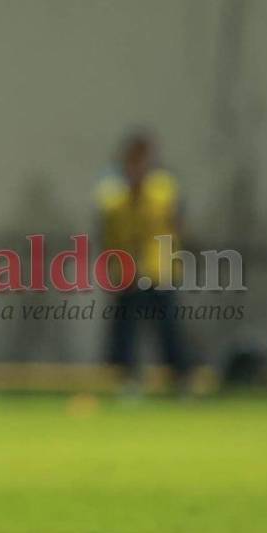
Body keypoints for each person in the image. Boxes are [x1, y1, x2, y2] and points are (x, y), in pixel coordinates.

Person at [94, 131, 188, 389]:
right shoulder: (111, 195)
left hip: (160, 271)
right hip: (126, 273)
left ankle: (180, 379)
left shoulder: (164, 190)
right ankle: (127, 381)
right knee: (124, 332)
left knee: (168, 330)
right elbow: (107, 236)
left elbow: (177, 226)